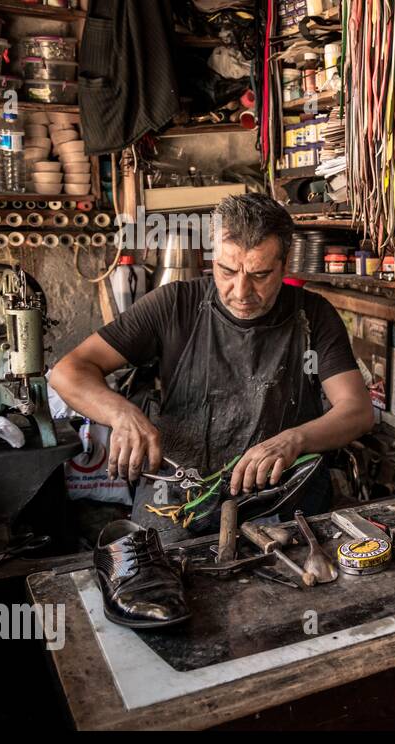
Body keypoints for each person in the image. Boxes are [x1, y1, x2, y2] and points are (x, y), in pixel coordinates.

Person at [50, 193, 373, 541]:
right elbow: (68, 371)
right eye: (227, 271)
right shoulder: (174, 304)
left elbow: (356, 410)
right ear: (212, 257)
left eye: (260, 274)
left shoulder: (315, 316)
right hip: (176, 494)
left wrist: (295, 439)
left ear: (285, 263)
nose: (241, 291)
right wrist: (122, 415)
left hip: (280, 495)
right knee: (157, 580)